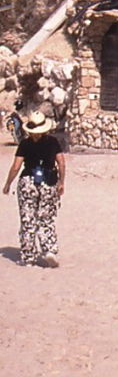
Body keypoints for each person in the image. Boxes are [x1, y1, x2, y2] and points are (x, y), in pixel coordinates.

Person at [3, 109, 65, 267]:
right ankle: (49, 249)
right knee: (46, 217)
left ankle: (28, 255)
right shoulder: (53, 142)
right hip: (48, 181)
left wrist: (8, 183)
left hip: (28, 182)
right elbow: (61, 163)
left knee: (28, 218)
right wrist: (61, 182)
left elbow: (16, 166)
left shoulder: (25, 143)